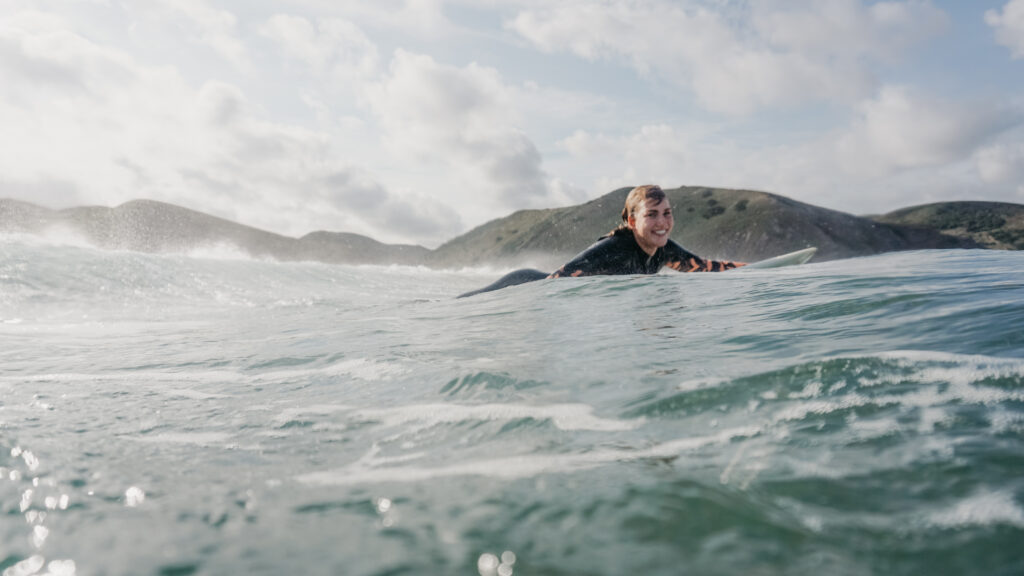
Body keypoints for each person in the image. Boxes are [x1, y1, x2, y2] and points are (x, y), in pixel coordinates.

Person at [457, 185, 746, 298]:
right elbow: (560, 280)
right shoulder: (614, 249)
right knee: (464, 303)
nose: (663, 223)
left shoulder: (663, 249)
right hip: (525, 284)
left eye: (667, 213)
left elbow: (705, 266)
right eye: (652, 215)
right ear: (632, 222)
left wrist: (761, 269)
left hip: (538, 287)